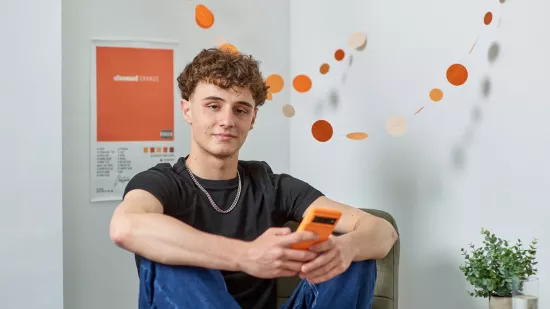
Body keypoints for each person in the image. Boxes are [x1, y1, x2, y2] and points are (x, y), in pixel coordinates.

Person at [109, 47, 398, 309]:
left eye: (240, 109)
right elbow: (125, 227)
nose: (227, 120)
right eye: (213, 105)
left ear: (253, 118)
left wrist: (345, 249)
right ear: (187, 110)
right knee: (169, 259)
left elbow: (383, 231)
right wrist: (245, 256)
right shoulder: (161, 182)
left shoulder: (270, 184)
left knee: (355, 257)